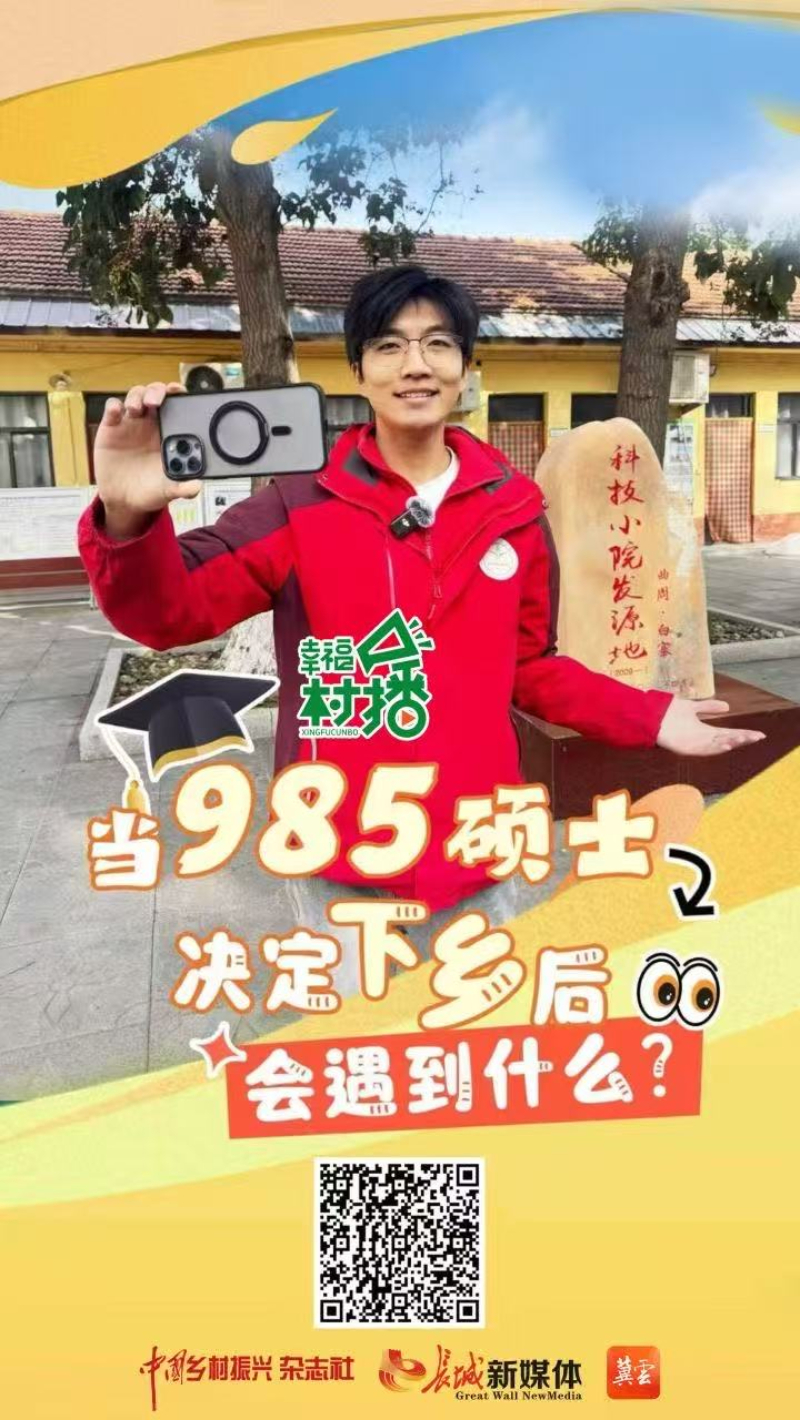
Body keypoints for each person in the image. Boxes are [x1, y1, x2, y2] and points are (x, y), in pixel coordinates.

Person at [77, 265, 763, 989]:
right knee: (360, 1041)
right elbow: (169, 611)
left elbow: (530, 666)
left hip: (476, 842)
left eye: (438, 343)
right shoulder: (298, 505)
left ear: (465, 367)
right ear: (358, 369)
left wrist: (649, 714)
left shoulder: (514, 511)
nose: (415, 365)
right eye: (388, 346)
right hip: (342, 848)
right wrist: (128, 516)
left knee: (474, 1034)